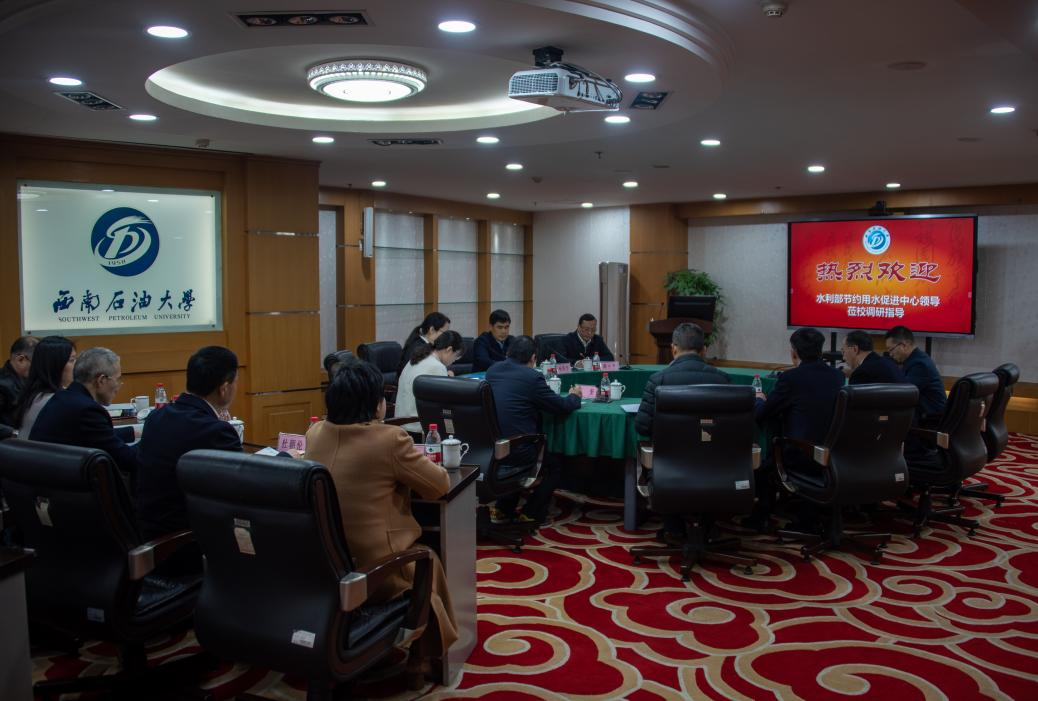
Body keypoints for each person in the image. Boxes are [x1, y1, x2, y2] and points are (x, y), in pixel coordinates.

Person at [305, 361, 456, 684]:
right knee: (428, 559)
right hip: (377, 572)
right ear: (376, 404)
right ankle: (423, 658)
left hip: (322, 567)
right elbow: (439, 485)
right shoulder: (389, 440)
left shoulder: (314, 433)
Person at [134, 346, 243, 573]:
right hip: (187, 545)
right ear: (224, 388)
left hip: (149, 535)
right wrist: (286, 458)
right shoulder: (215, 431)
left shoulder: (157, 417)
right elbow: (244, 487)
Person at [634, 322, 729, 541]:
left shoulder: (659, 380)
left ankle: (673, 528)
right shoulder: (722, 379)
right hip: (717, 470)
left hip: (669, 471)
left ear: (673, 348)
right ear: (704, 350)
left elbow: (642, 427)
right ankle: (707, 526)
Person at [749, 327, 845, 529]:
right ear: (820, 351)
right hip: (832, 454)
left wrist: (758, 399)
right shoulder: (836, 376)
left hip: (801, 454)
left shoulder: (791, 378)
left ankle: (760, 519)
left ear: (794, 352)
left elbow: (763, 414)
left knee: (763, 466)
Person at [485, 336, 582, 524]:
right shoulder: (532, 377)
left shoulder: (492, 371)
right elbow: (561, 406)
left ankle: (504, 509)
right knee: (555, 465)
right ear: (533, 358)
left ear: (508, 353)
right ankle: (532, 513)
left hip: (492, 449)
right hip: (518, 450)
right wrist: (575, 396)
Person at [29, 347, 141, 476]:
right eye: (117, 379)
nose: (118, 386)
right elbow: (129, 460)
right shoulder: (87, 411)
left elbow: (99, 436)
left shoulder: (63, 397)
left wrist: (132, 432)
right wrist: (154, 437)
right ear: (101, 380)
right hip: (64, 485)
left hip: (43, 481)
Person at [395, 330, 464, 434]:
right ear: (449, 350)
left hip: (401, 423)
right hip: (417, 428)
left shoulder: (418, 358)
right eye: (456, 356)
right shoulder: (437, 366)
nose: (454, 361)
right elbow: (445, 402)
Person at [13, 336, 76, 437]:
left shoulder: (32, 395)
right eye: (71, 360)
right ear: (55, 365)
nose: (76, 366)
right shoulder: (58, 402)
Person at [884, 325, 946, 424]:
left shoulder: (919, 364)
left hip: (930, 420)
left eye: (891, 349)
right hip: (923, 415)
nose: (890, 354)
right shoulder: (916, 358)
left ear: (904, 345)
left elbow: (904, 393)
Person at [397, 312, 451, 377]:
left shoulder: (422, 343)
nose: (446, 337)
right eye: (445, 333)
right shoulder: (418, 348)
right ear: (432, 330)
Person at [841, 330, 906, 384]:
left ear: (855, 349)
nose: (843, 358)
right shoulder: (889, 363)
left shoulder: (861, 373)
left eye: (843, 351)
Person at [0, 335, 39, 426]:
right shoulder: (2, 386)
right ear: (20, 360)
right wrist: (14, 432)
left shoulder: (29, 379)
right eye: (36, 363)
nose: (38, 368)